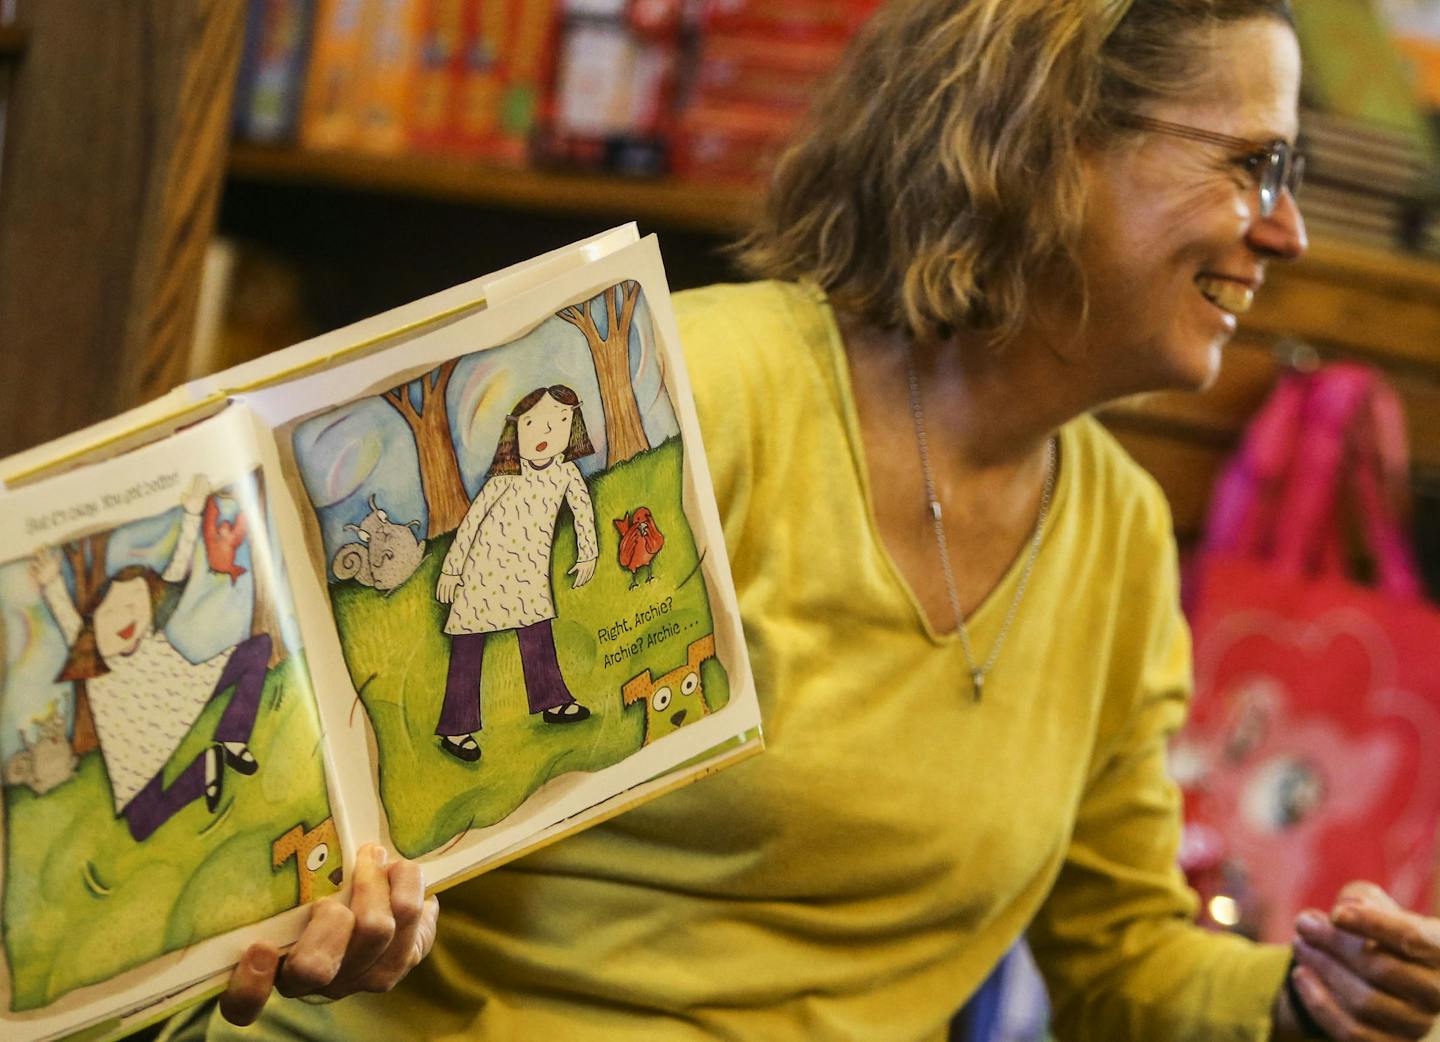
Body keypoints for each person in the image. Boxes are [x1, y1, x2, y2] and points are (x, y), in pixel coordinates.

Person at [183, 2, 1440, 1040]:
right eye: (1252, 165)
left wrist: (1309, 997)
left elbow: (1123, 960)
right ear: (1051, 144)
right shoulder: (701, 398)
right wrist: (342, 902)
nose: (1288, 230)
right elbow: (331, 794)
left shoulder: (1115, 530)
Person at [31, 475, 269, 842]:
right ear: (93, 625)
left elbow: (175, 570)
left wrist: (191, 515)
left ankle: (232, 740)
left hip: (186, 694)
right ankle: (206, 769)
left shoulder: (150, 633)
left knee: (258, 649)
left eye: (134, 606)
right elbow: (66, 617)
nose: (125, 617)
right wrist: (50, 583)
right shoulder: (93, 653)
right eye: (112, 612)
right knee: (141, 825)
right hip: (141, 741)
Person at [432, 384, 601, 763]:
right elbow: (473, 521)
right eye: (533, 424)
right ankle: (457, 728)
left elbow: (583, 513)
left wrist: (588, 553)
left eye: (557, 423)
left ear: (572, 428)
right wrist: (452, 569)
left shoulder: (566, 474)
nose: (544, 434)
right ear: (515, 429)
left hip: (527, 571)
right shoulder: (505, 475)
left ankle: (552, 702)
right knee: (469, 642)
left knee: (536, 630)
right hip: (482, 569)